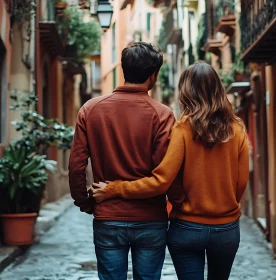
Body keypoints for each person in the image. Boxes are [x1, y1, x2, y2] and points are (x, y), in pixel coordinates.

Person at [93, 61, 250, 280]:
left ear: (186, 91)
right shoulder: (238, 130)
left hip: (187, 227)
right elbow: (241, 183)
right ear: (218, 89)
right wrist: (222, 205)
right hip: (226, 229)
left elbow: (161, 181)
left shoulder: (183, 128)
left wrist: (115, 189)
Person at [68, 42, 176, 280]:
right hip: (151, 219)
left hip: (109, 217)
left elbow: (76, 166)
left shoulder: (90, 109)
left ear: (123, 69)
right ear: (153, 75)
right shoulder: (163, 114)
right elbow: (164, 173)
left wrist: (85, 203)